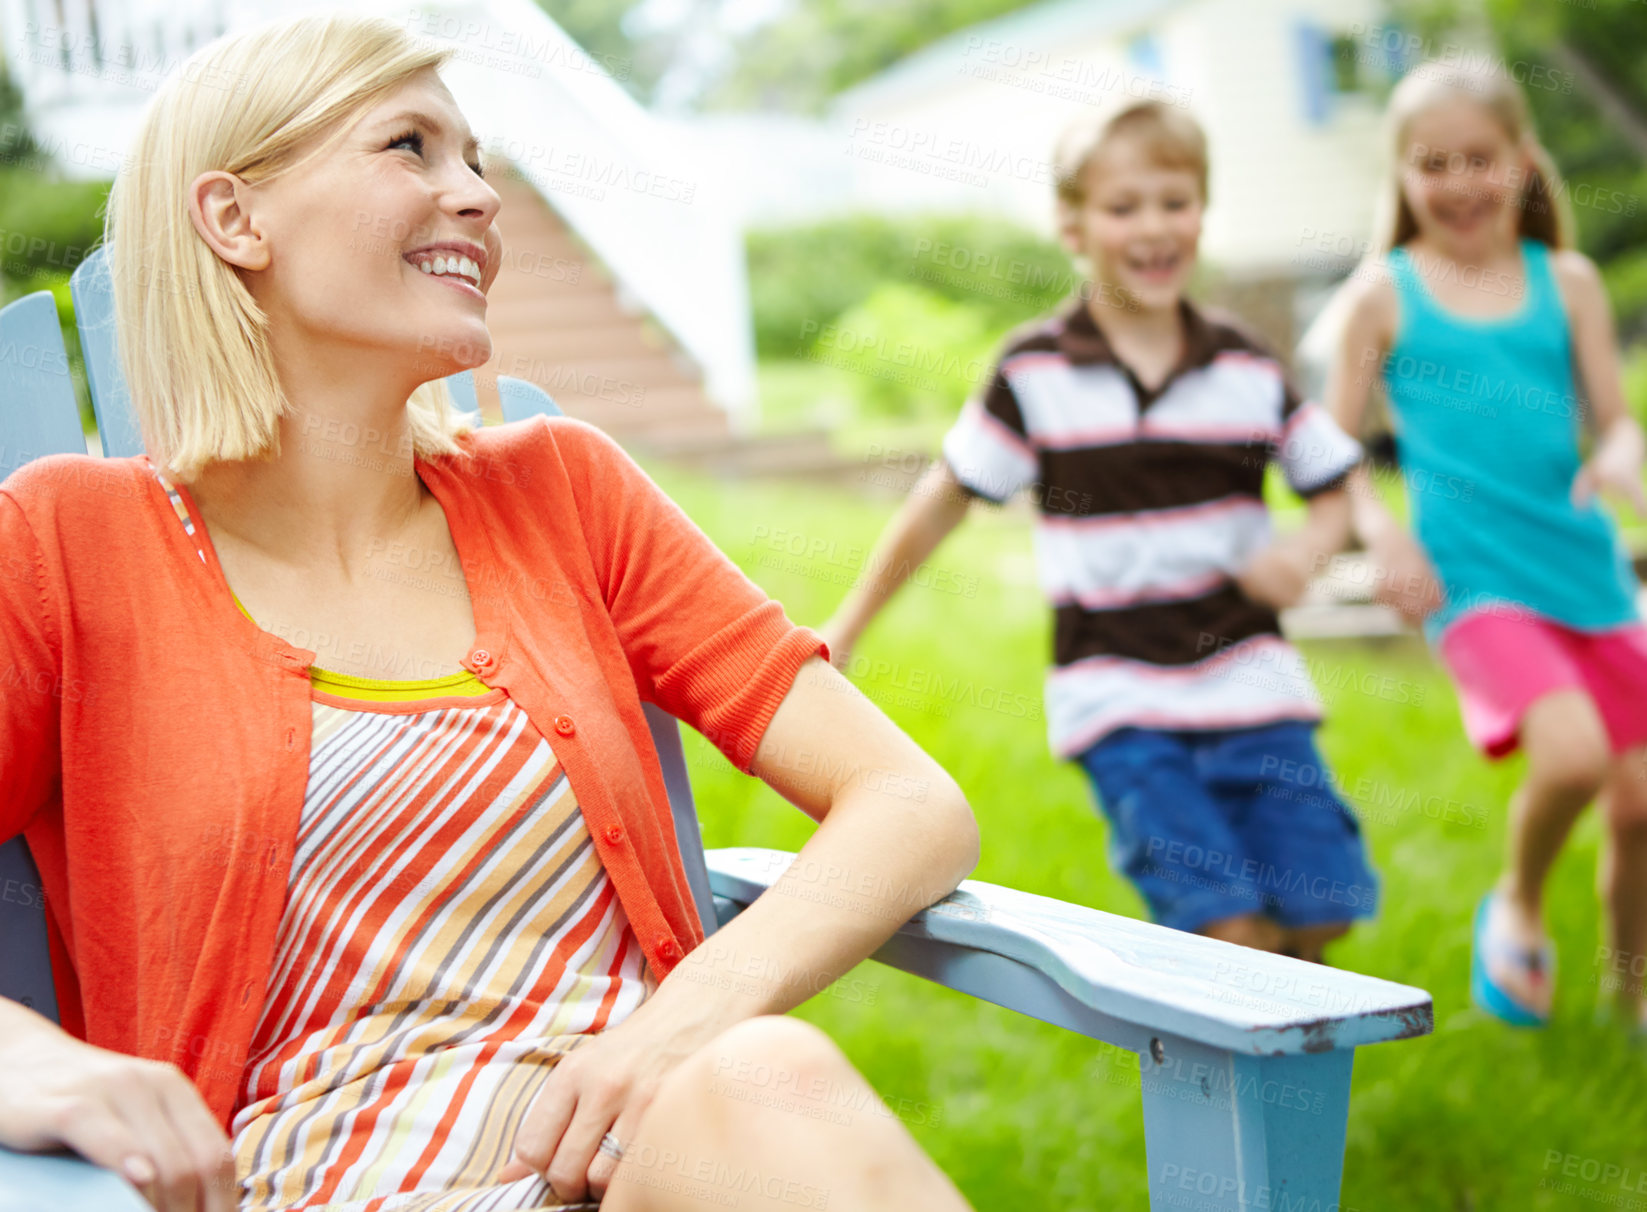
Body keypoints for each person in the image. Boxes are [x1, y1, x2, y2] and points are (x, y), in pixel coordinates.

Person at [0, 16, 982, 1212]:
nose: (475, 195)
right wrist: (41, 1064)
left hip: (643, 1156)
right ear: (234, 218)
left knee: (764, 1078)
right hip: (333, 1178)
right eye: (408, 146)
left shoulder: (564, 492)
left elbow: (910, 801)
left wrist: (683, 1027)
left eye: (475, 159)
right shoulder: (70, 545)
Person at [821, 100, 1378, 960]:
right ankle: (1228, 1058)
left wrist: (1305, 550)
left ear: (1201, 209)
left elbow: (1336, 480)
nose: (1153, 227)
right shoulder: (1034, 369)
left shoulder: (1244, 363)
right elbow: (945, 496)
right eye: (1123, 207)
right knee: (1227, 931)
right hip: (1119, 696)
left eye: (1173, 201)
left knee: (1320, 915)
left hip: (1252, 681)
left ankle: (1281, 1061)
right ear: (1072, 226)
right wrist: (848, 626)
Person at [1319, 61, 1647, 1031]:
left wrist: (1625, 455)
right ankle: (1518, 899)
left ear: (1522, 162)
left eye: (1479, 159)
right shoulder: (1384, 295)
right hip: (1473, 579)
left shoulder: (1570, 283)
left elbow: (1614, 420)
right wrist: (1380, 532)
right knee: (1576, 758)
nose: (1459, 183)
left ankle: (1632, 1000)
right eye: (1433, 164)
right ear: (1403, 176)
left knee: (1639, 809)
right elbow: (1325, 450)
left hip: (1584, 566)